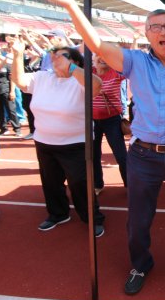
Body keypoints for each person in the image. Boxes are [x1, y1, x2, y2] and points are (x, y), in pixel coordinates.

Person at [26, 0, 165, 296]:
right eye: (156, 27)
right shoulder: (134, 61)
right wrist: (70, 5)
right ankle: (140, 264)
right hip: (144, 156)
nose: (163, 31)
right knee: (137, 221)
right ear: (147, 34)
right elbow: (95, 43)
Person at [10, 40, 106, 236]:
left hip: (76, 143)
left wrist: (71, 69)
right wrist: (17, 54)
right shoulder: (43, 77)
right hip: (45, 142)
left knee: (80, 183)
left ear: (75, 62)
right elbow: (19, 81)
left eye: (63, 55)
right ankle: (58, 213)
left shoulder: (80, 81)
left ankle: (92, 218)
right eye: (54, 55)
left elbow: (96, 86)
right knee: (51, 182)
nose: (55, 58)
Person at [92, 54, 128, 192]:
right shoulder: (89, 73)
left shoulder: (116, 73)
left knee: (121, 155)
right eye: (98, 56)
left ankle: (129, 184)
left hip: (112, 120)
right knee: (93, 155)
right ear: (93, 59)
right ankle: (97, 184)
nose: (102, 58)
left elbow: (132, 69)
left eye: (105, 56)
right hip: (92, 120)